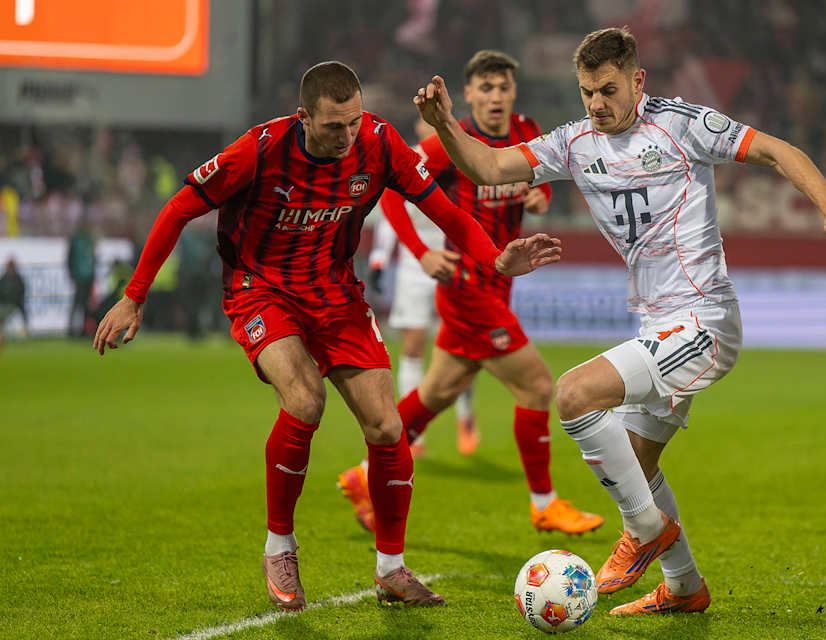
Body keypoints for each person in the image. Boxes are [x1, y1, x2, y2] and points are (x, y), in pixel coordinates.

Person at [414, 27, 826, 615]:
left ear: (637, 81)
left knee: (574, 394)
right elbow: (488, 166)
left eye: (607, 90)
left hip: (703, 318)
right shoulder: (575, 142)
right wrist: (447, 124)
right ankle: (684, 588)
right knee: (634, 459)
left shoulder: (682, 125)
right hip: (657, 325)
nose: (597, 104)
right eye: (586, 93)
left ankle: (645, 532)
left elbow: (778, 150)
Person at [93, 61, 561, 612]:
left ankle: (391, 569)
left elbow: (446, 212)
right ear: (303, 117)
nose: (347, 137)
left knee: (388, 426)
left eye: (354, 123)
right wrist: (135, 293)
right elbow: (177, 209)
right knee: (305, 399)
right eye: (334, 126)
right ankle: (279, 546)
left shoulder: (379, 142)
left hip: (335, 292)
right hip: (260, 289)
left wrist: (495, 257)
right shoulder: (260, 149)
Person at [339, 50, 603, 536]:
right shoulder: (451, 142)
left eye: (503, 87)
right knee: (538, 386)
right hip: (466, 284)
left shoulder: (528, 131)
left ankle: (363, 474)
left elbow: (537, 185)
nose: (495, 97)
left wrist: (539, 195)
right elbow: (394, 191)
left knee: (437, 393)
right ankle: (544, 502)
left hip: (500, 284)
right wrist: (419, 252)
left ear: (513, 92)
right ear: (470, 95)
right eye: (486, 88)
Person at [365, 116, 479, 459]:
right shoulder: (408, 162)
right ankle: (413, 435)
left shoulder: (460, 160)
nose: (432, 130)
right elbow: (390, 211)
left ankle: (465, 418)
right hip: (415, 266)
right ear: (417, 127)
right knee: (414, 345)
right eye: (427, 123)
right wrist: (379, 260)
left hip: (454, 261)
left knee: (460, 349)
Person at [66, 218, 95, 336]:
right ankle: (72, 329)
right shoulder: (77, 240)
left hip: (87, 276)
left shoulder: (88, 240)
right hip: (80, 276)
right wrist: (72, 273)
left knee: (84, 305)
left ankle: (84, 329)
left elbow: (93, 259)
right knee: (78, 303)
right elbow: (70, 258)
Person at [0, 256, 28, 347]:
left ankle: (24, 333)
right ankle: (1, 337)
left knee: (23, 311)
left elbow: (22, 290)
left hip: (15, 303)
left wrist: (16, 300)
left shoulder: (17, 278)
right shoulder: (4, 278)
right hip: (5, 304)